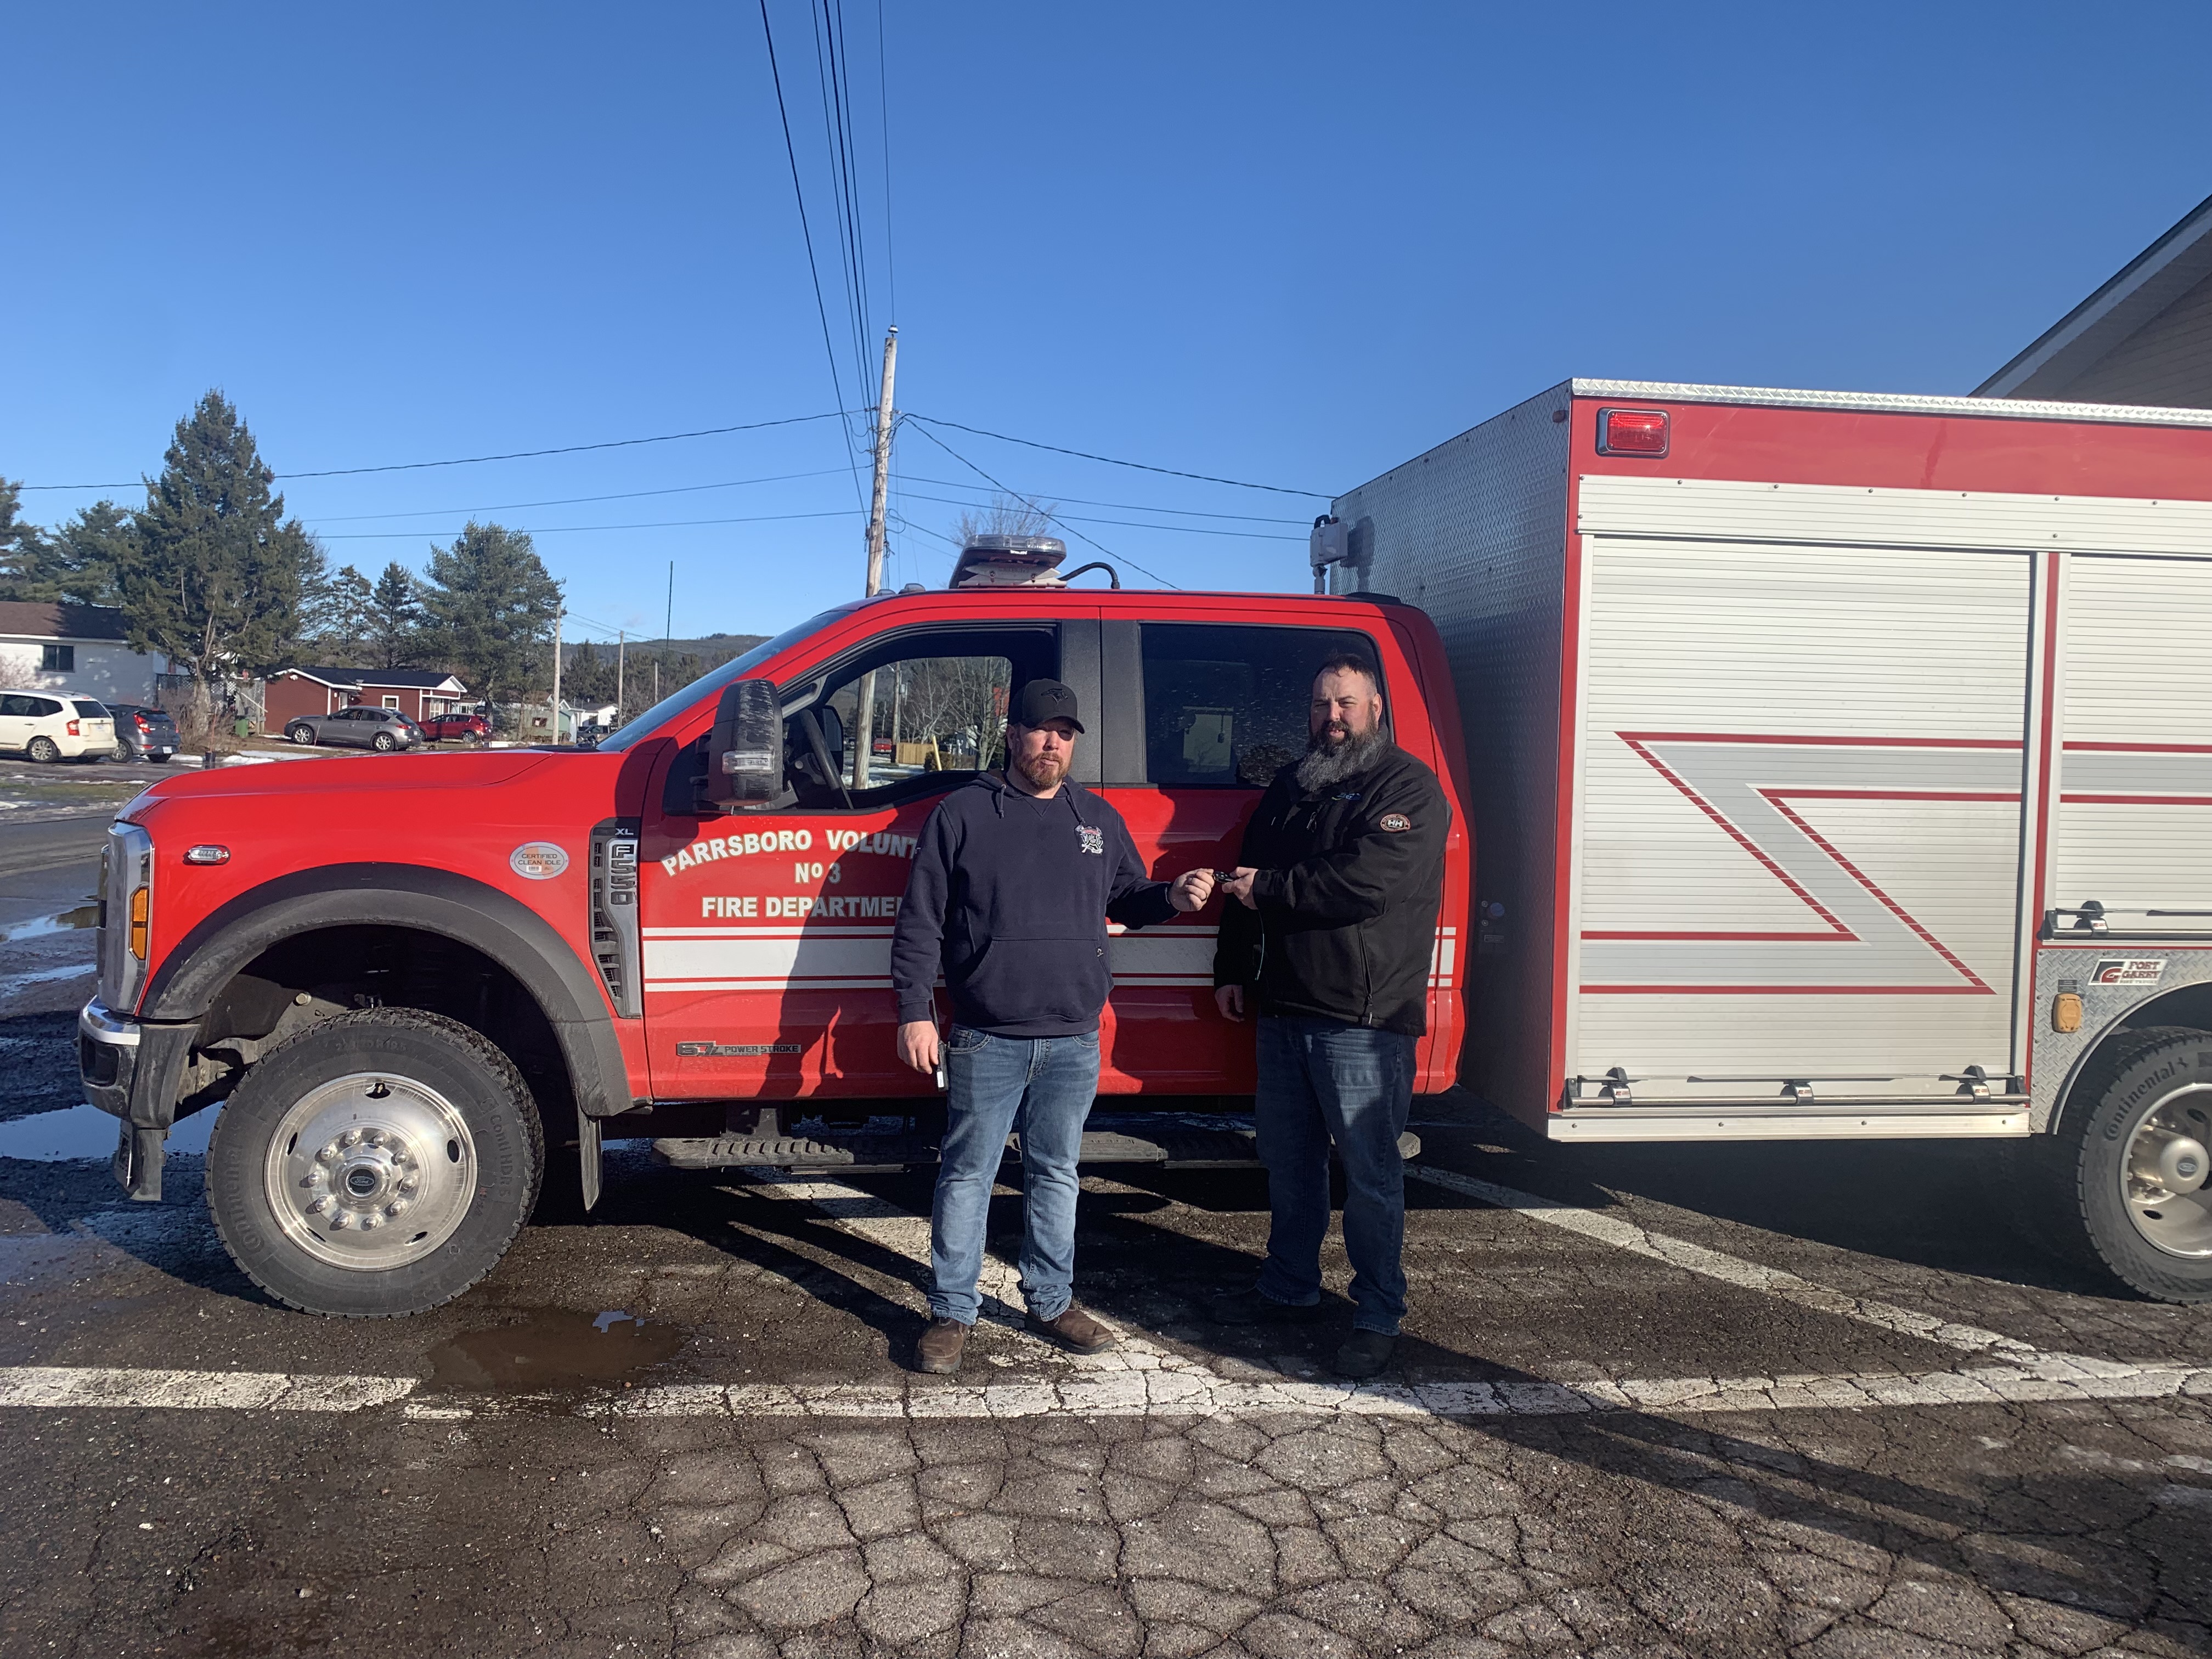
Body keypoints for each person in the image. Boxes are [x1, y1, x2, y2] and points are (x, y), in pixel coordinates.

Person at [892, 678, 1215, 1375]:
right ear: (1013, 735)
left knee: (1056, 1173)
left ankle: (1051, 1298)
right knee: (968, 1175)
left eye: (1065, 733)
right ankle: (951, 1311)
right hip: (986, 1034)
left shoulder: (1094, 817)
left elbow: (1131, 895)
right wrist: (915, 1013)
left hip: (1074, 1035)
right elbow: (919, 923)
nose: (1052, 743)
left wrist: (1175, 897)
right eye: (1041, 730)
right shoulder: (963, 815)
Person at [1209, 653, 1448, 1378]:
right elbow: (1243, 879)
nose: (1332, 718)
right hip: (1284, 1007)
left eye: (1345, 703)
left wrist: (1273, 887)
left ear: (1376, 708)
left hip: (1362, 1017)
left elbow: (1366, 882)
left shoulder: (1405, 785)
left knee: (1371, 1176)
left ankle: (1377, 1313)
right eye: (1320, 705)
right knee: (1290, 1165)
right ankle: (1289, 1289)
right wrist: (1232, 968)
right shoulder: (1293, 784)